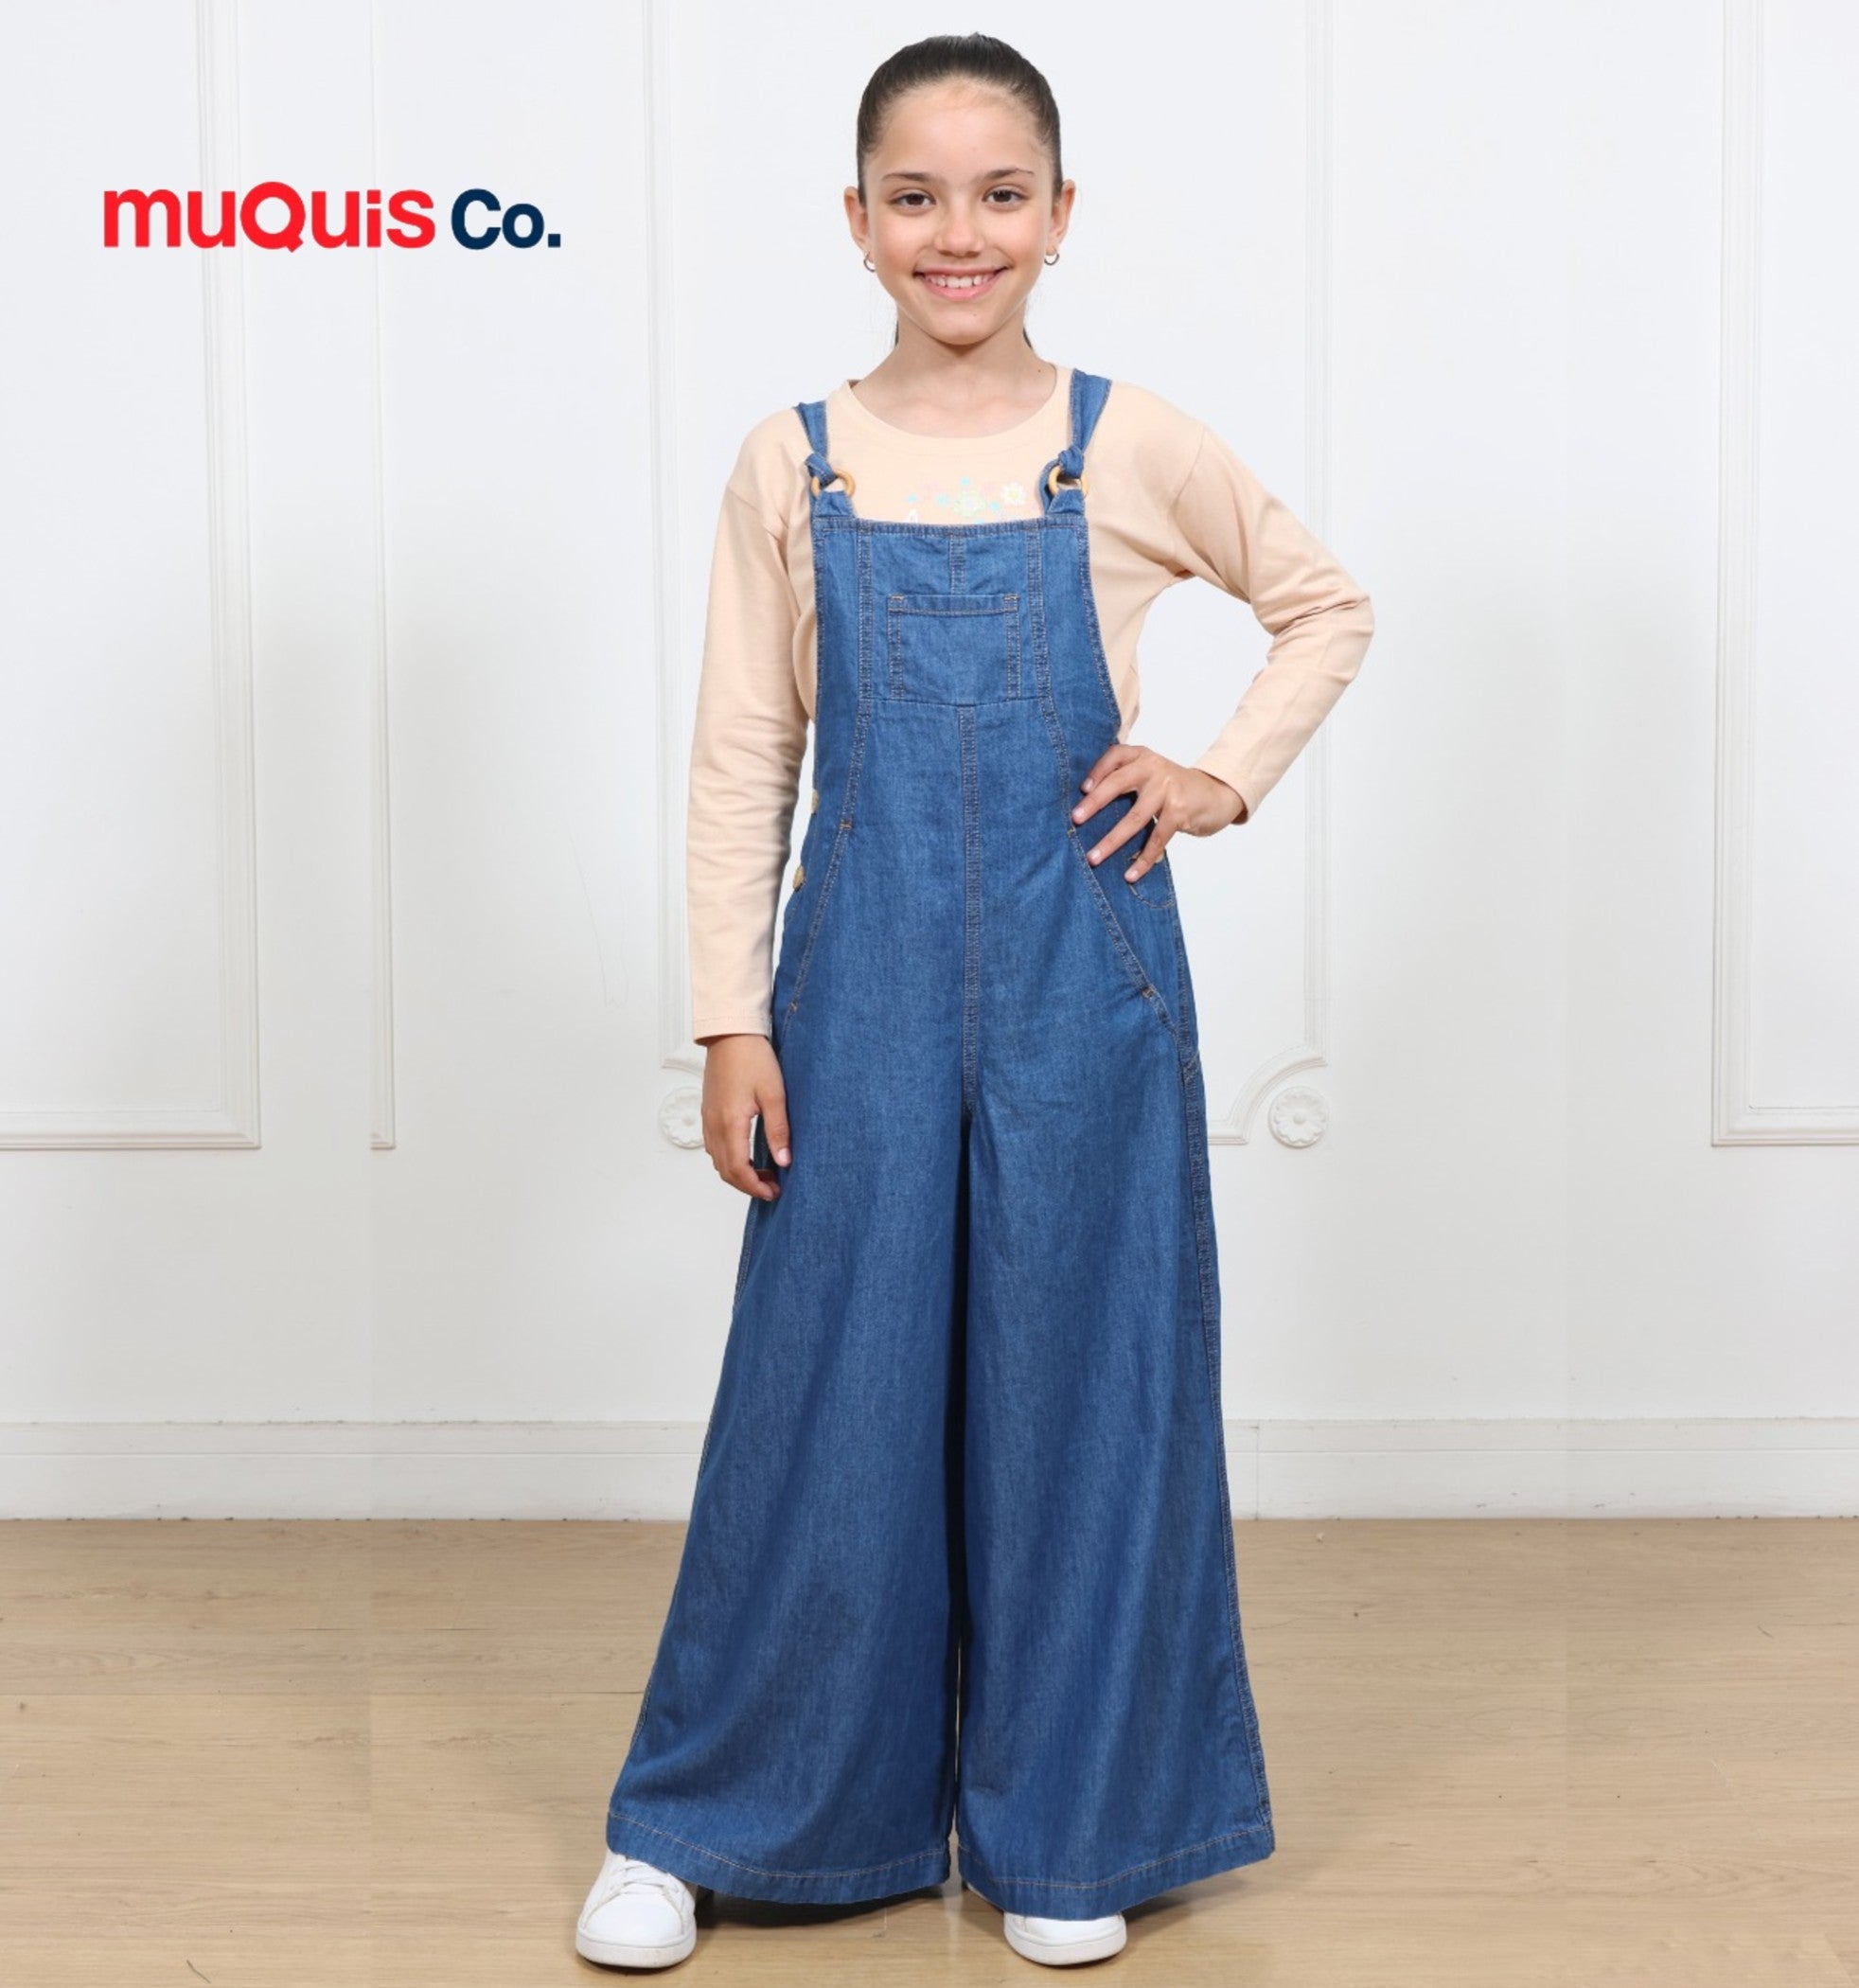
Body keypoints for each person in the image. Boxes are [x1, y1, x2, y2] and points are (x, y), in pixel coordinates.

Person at [576, 31, 1375, 1972]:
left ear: (1060, 215)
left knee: (1086, 1385)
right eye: (916, 197)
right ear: (857, 222)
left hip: (1081, 966)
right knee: (825, 1388)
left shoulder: (1130, 442)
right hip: (848, 979)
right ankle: (707, 1820)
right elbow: (744, 756)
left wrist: (1216, 775)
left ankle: (1074, 1821)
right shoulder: (793, 460)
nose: (960, 232)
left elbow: (1322, 603)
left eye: (1000, 194)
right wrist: (730, 1017)